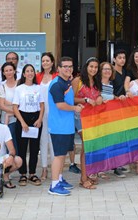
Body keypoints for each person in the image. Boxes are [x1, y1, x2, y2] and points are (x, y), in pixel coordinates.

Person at [47, 57, 84, 196]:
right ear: (59, 68)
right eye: (65, 66)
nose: (68, 69)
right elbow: (60, 105)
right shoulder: (57, 84)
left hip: (66, 126)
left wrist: (76, 105)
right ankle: (54, 185)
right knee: (59, 155)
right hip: (58, 126)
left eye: (70, 66)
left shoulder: (66, 82)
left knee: (63, 155)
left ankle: (60, 178)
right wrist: (75, 108)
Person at [73, 57, 103, 188]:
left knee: (91, 146)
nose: (93, 69)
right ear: (86, 67)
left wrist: (100, 97)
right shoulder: (77, 80)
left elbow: (99, 95)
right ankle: (84, 179)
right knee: (86, 146)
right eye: (91, 66)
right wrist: (85, 99)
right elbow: (72, 99)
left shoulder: (97, 81)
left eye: (96, 67)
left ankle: (86, 175)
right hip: (80, 117)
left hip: (94, 117)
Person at [13, 64, 44, 186]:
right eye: (27, 71)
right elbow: (15, 107)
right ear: (24, 74)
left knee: (34, 149)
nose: (30, 73)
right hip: (22, 119)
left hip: (35, 119)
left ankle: (32, 173)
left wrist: (40, 119)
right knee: (22, 149)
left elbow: (42, 105)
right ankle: (22, 174)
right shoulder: (19, 88)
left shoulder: (38, 87)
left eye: (32, 71)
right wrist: (22, 122)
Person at [37, 52, 57, 181]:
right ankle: (44, 168)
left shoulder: (56, 76)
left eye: (47, 61)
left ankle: (55, 167)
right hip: (40, 112)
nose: (45, 63)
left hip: (54, 112)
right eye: (43, 61)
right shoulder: (37, 76)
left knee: (53, 140)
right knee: (43, 140)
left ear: (52, 62)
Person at [0, 61, 19, 153]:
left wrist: (10, 104)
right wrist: (16, 111)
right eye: (6, 70)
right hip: (6, 121)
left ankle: (18, 164)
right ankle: (9, 165)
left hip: (18, 120)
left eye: (11, 70)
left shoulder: (19, 85)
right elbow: (1, 105)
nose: (9, 72)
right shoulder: (2, 86)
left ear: (14, 71)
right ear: (3, 73)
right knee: (9, 145)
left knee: (17, 144)